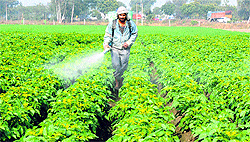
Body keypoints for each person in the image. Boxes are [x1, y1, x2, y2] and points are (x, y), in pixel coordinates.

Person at [103, 6, 138, 90]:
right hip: (115, 48)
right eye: (120, 15)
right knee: (116, 65)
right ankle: (117, 82)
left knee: (124, 66)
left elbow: (134, 34)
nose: (122, 17)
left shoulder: (130, 24)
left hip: (125, 49)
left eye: (124, 15)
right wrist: (106, 44)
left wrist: (128, 42)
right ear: (117, 15)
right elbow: (108, 35)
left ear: (126, 15)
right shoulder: (113, 24)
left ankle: (122, 81)